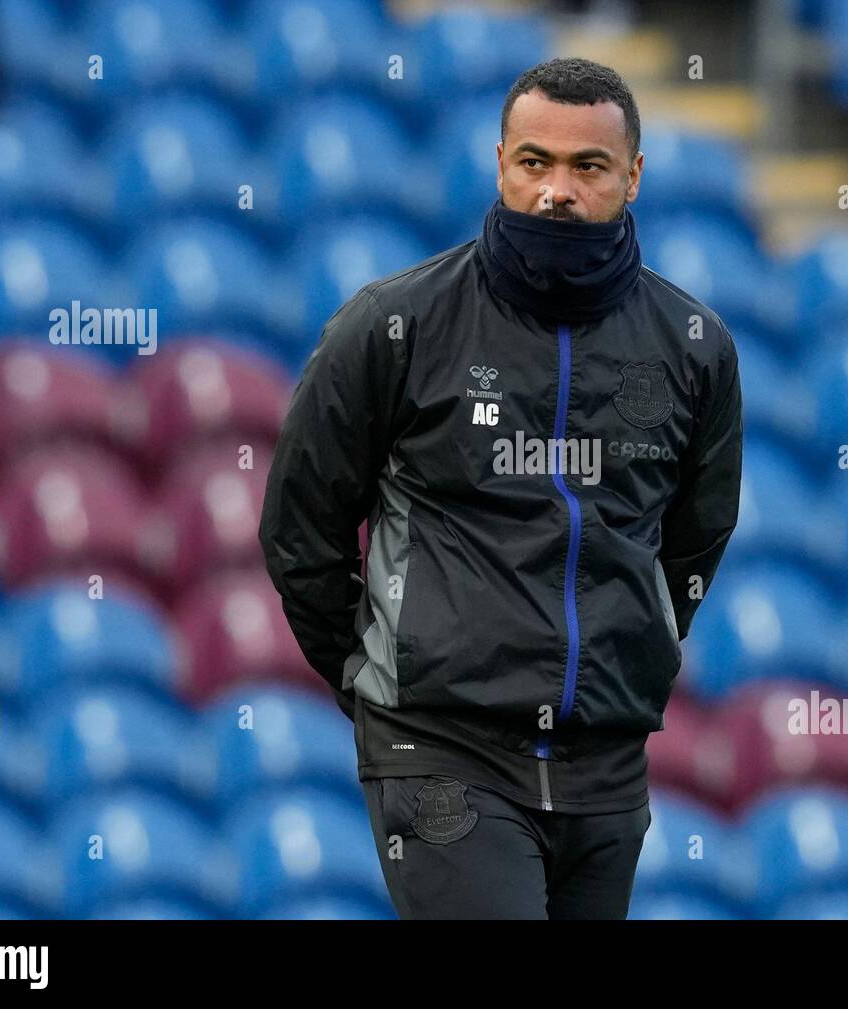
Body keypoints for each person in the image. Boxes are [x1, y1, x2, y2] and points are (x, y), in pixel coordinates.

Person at [259, 56, 743, 919]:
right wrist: (379, 674)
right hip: (442, 746)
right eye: (534, 162)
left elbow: (696, 538)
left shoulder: (695, 346)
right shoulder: (396, 325)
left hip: (605, 759)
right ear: (499, 165)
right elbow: (302, 525)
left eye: (587, 167)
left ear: (633, 177)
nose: (557, 191)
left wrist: (625, 655)